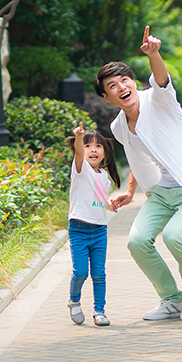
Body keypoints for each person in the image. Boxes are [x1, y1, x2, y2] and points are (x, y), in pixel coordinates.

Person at [97, 26, 182, 321]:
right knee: (137, 242)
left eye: (125, 80)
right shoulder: (118, 126)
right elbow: (138, 158)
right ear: (106, 97)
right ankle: (170, 299)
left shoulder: (159, 100)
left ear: (134, 82)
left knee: (176, 236)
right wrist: (129, 191)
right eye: (112, 85)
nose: (121, 87)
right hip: (163, 192)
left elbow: (161, 79)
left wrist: (154, 54)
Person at [66, 123, 121, 327]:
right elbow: (79, 153)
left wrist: (109, 204)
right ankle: (74, 301)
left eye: (98, 146)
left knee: (99, 273)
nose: (93, 150)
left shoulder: (103, 176)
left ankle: (99, 311)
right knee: (81, 272)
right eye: (89, 146)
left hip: (99, 230)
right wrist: (79, 138)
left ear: (104, 152)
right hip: (79, 229)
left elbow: (99, 198)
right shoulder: (80, 169)